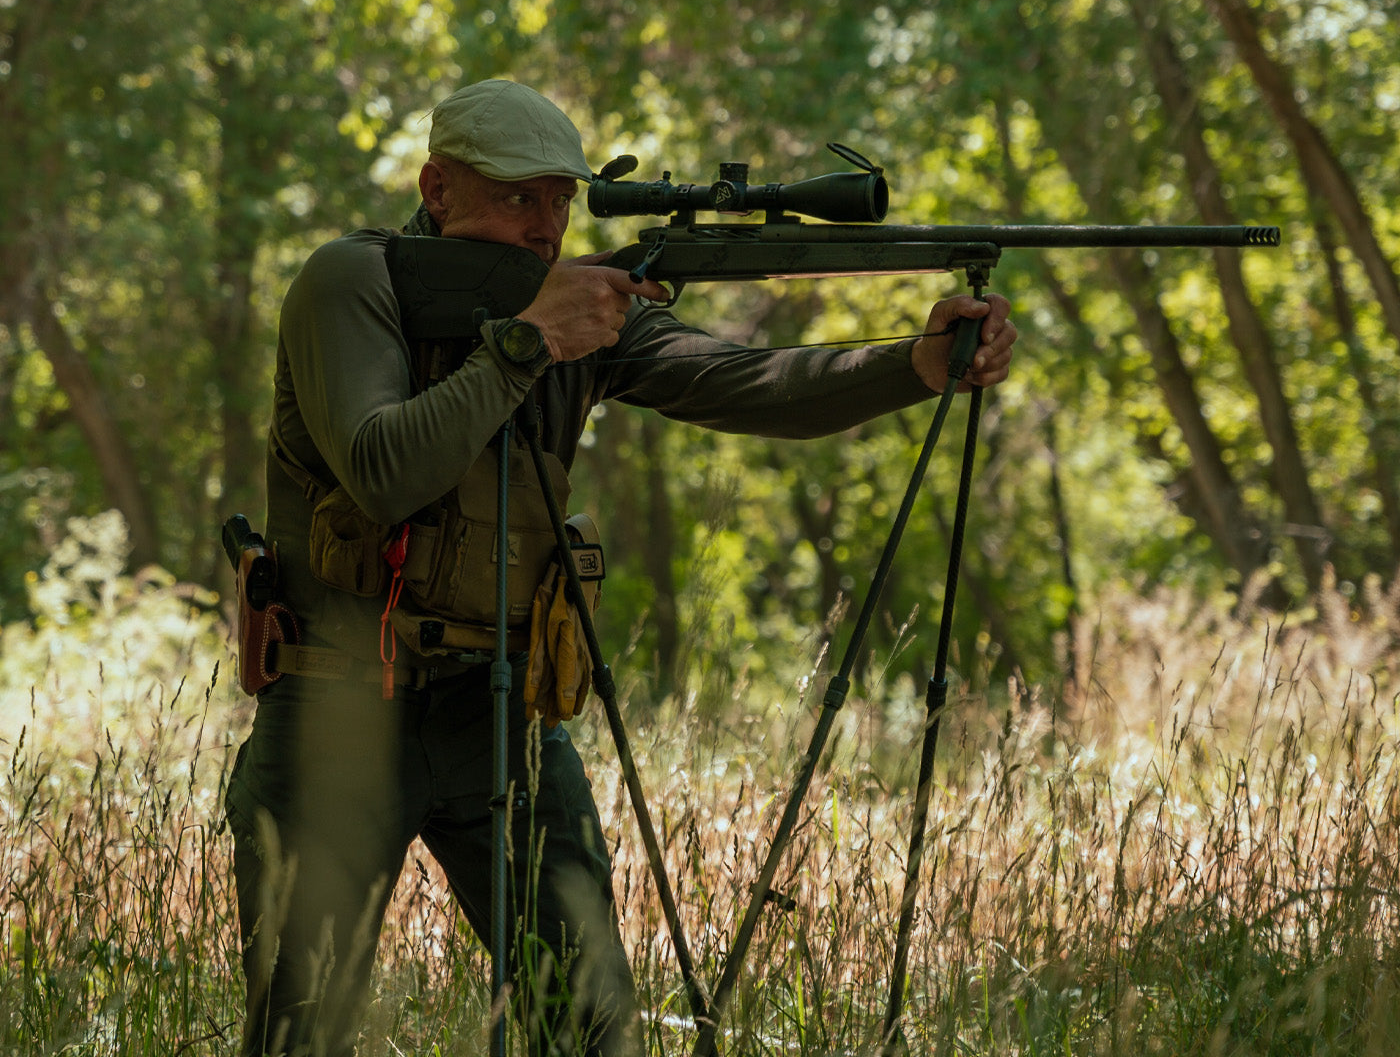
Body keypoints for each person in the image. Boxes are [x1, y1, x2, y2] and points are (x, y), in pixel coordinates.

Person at [224, 79, 1016, 1057]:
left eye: (560, 199)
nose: (546, 225)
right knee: (304, 1029)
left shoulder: (576, 311)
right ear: (437, 188)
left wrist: (914, 364)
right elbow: (386, 470)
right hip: (334, 707)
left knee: (589, 1018)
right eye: (519, 197)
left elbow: (742, 381)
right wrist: (526, 344)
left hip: (499, 709)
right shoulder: (351, 283)